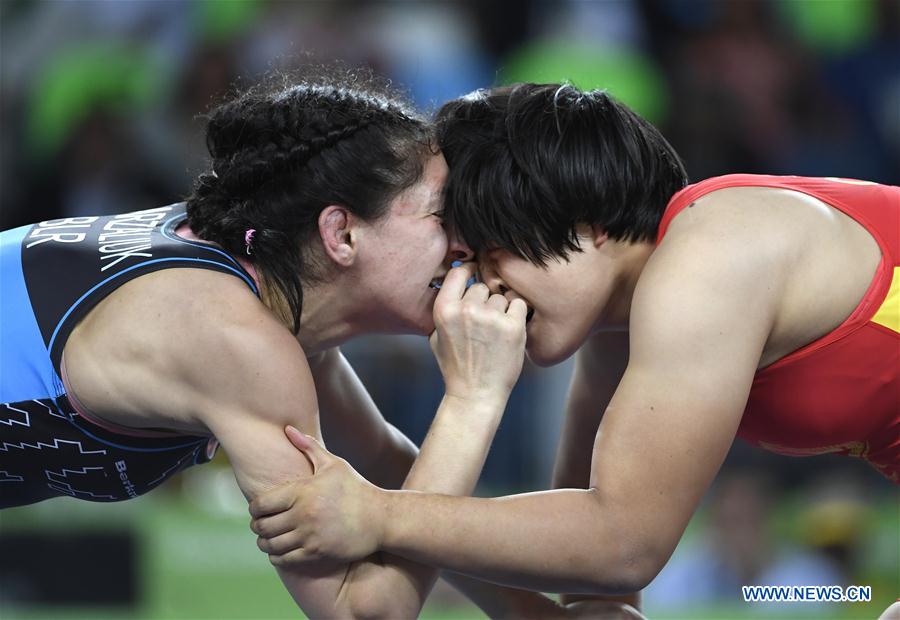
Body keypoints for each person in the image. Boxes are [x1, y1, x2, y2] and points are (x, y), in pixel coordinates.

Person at [3, 72, 649, 619]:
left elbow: (390, 479)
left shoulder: (266, 291)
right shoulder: (233, 338)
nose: (467, 251)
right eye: (443, 218)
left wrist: (540, 615)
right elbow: (359, 608)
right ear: (341, 233)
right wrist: (473, 399)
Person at [249, 83, 899, 616]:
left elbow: (623, 542)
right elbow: (600, 577)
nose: (479, 288)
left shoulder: (711, 259)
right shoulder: (628, 324)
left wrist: (379, 514)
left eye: (489, 252)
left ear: (586, 228)